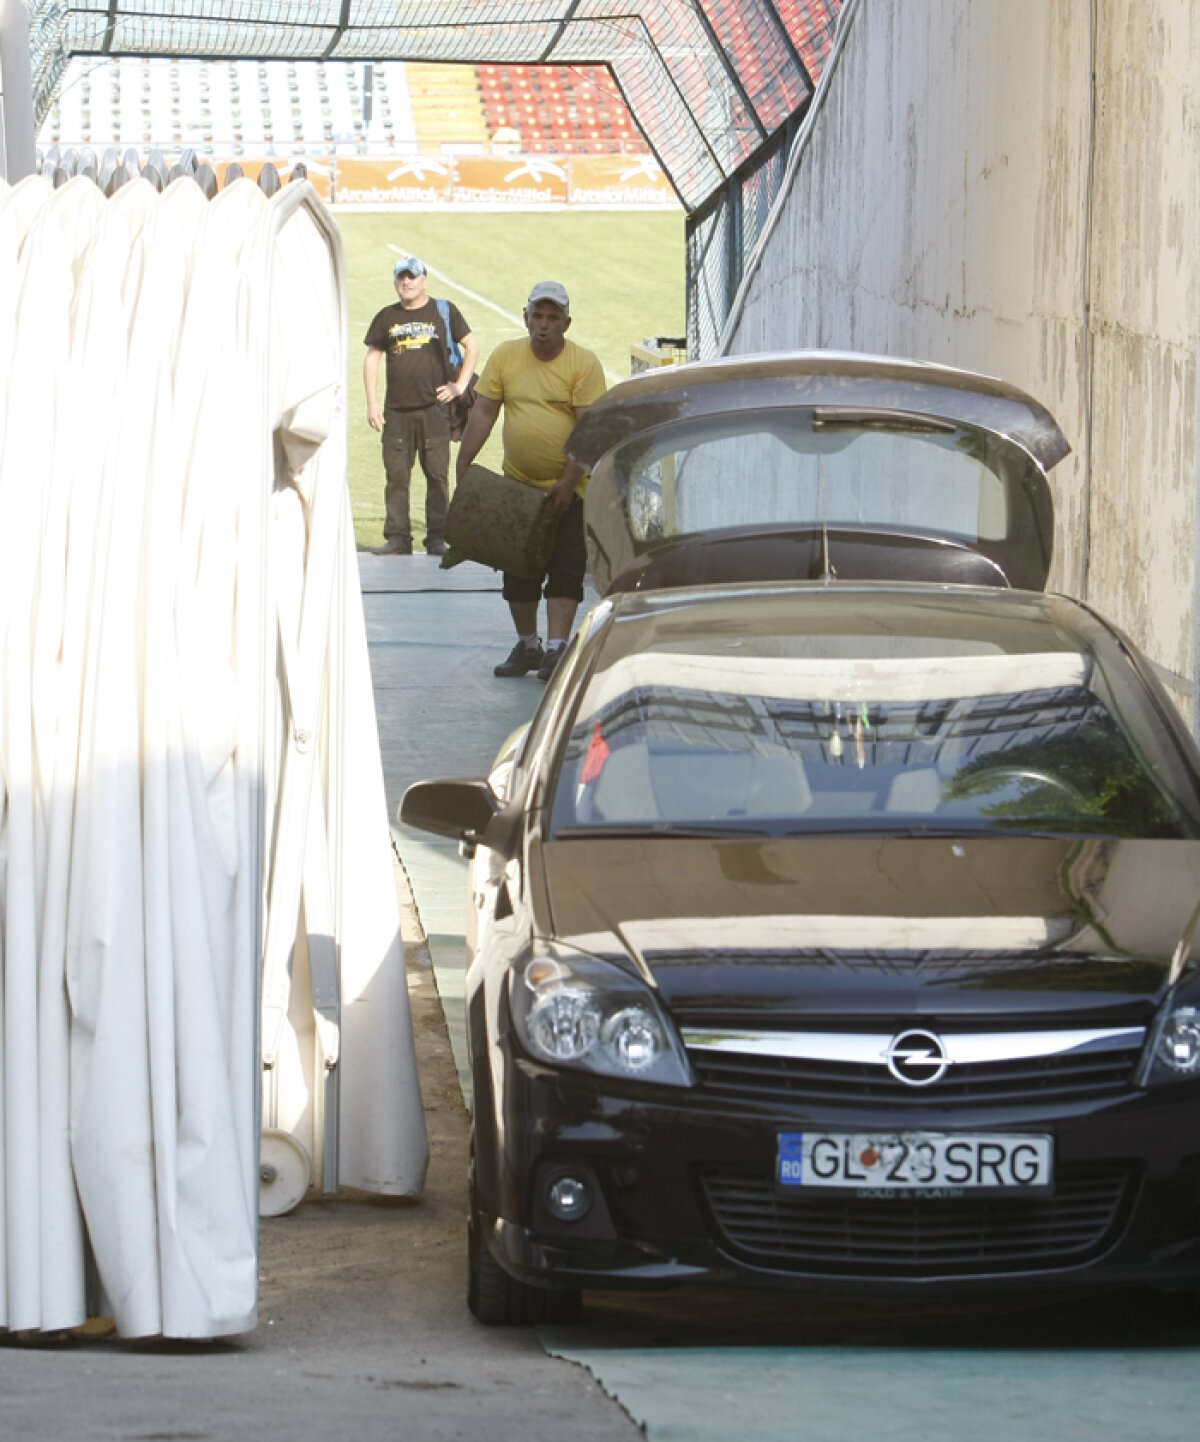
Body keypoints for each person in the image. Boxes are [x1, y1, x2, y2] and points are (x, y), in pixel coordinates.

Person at [455, 280, 606, 682]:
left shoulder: (583, 364)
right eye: (537, 316)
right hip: (517, 488)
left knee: (565, 568)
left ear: (566, 323)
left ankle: (556, 651)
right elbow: (484, 411)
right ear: (526, 318)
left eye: (552, 317)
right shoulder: (506, 356)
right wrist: (464, 463)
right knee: (519, 570)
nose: (543, 324)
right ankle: (528, 645)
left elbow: (590, 429)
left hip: (570, 489)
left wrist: (567, 480)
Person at [363, 255, 479, 555]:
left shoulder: (444, 311)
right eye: (402, 277)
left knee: (437, 475)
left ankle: (438, 538)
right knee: (397, 477)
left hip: (434, 410)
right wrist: (373, 402)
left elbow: (472, 345)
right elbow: (373, 356)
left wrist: (460, 385)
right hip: (396, 412)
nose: (407, 282)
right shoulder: (386, 317)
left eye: (412, 277)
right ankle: (398, 539)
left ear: (424, 280)